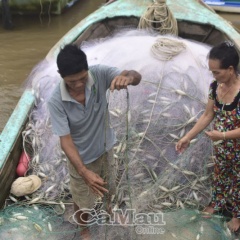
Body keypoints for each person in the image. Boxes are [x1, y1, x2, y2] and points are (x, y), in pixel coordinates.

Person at [47, 44, 141, 239]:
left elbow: (135, 76)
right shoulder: (56, 101)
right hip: (80, 158)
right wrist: (84, 171)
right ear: (61, 75)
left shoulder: (99, 74)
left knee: (108, 185)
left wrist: (128, 77)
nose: (79, 84)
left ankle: (109, 210)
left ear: (87, 69)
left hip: (105, 147)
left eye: (82, 78)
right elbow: (66, 141)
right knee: (82, 198)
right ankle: (84, 229)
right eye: (72, 82)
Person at [176, 41, 240, 232]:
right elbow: (207, 115)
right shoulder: (215, 86)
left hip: (236, 146)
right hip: (220, 145)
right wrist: (188, 136)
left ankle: (237, 216)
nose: (213, 76)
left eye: (216, 72)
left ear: (230, 69)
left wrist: (222, 134)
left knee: (238, 179)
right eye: (211, 72)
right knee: (220, 175)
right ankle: (217, 203)